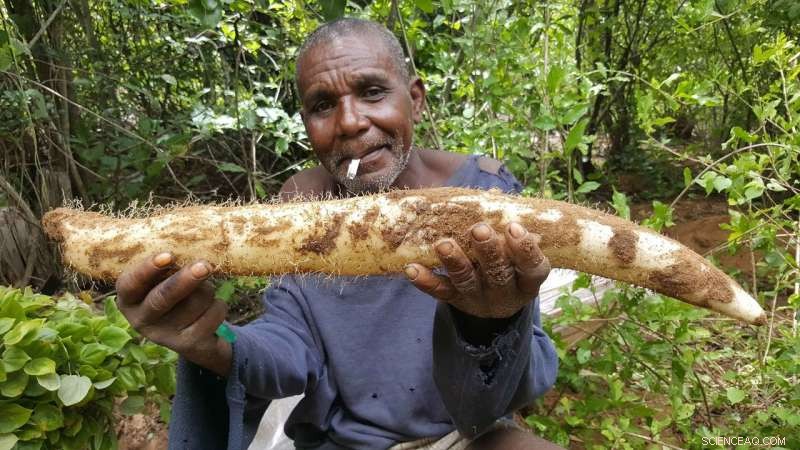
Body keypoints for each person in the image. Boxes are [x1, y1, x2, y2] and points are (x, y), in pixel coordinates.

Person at [115, 18, 562, 450]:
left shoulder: (483, 188)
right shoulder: (303, 205)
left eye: (372, 92)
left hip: (473, 432)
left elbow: (520, 373)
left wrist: (494, 323)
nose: (349, 122)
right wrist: (217, 342)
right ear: (306, 122)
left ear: (415, 99)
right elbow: (290, 347)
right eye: (323, 105)